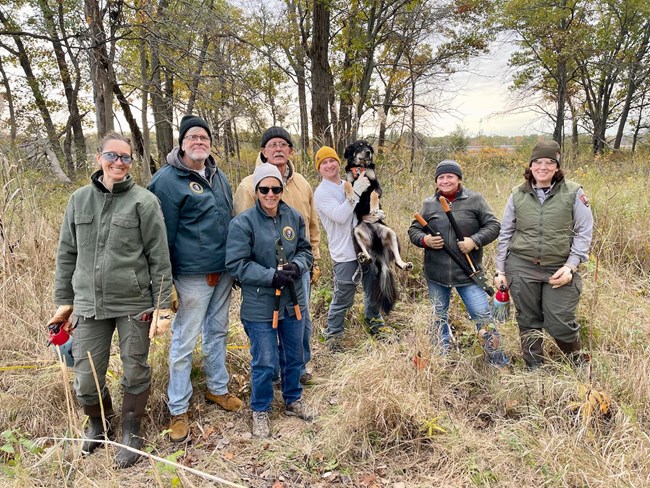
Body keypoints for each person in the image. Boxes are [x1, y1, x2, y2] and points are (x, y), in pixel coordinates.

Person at [49, 132, 173, 468]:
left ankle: (131, 433)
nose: (118, 163)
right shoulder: (78, 200)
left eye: (125, 157)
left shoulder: (144, 202)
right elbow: (67, 253)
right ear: (98, 158)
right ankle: (98, 425)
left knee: (135, 370)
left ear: (131, 162)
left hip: (133, 303)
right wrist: (64, 300)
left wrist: (162, 305)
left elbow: (159, 256)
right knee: (86, 377)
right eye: (112, 156)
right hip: (89, 305)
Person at [148, 115, 243, 443]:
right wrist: (167, 281)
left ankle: (218, 389)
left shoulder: (218, 176)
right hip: (190, 277)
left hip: (224, 272)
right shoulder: (166, 181)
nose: (199, 141)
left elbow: (229, 219)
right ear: (182, 142)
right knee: (184, 341)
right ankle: (178, 408)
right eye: (193, 137)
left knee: (217, 332)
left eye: (204, 136)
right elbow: (160, 236)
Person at [226, 164, 314, 438]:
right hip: (259, 304)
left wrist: (297, 267)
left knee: (294, 354)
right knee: (264, 359)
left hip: (293, 299)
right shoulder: (243, 223)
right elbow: (236, 264)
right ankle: (260, 409)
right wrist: (269, 275)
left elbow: (305, 251)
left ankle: (292, 399)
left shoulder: (294, 217)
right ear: (256, 191)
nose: (270, 194)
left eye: (276, 189)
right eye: (264, 189)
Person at [494, 140, 593, 369]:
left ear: (557, 167)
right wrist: (500, 270)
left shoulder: (574, 192)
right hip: (521, 266)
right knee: (527, 320)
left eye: (550, 162)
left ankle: (577, 363)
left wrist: (571, 266)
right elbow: (506, 232)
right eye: (538, 162)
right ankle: (533, 367)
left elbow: (584, 232)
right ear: (530, 166)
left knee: (559, 320)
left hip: (558, 266)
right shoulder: (517, 194)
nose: (543, 167)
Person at [233, 127, 320, 384]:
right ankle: (270, 374)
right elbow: (241, 231)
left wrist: (312, 260)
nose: (278, 149)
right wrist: (264, 274)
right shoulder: (249, 186)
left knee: (299, 321)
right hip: (265, 276)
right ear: (263, 151)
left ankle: (297, 370)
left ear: (290, 151)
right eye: (272, 144)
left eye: (284, 144)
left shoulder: (302, 183)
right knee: (267, 327)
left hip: (298, 269)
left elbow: (311, 224)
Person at [408, 160, 508, 365]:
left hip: (469, 274)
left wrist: (474, 241)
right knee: (438, 317)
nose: (445, 180)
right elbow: (414, 230)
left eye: (450, 176)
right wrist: (425, 240)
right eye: (441, 177)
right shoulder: (429, 204)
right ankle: (440, 359)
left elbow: (494, 226)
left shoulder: (475, 200)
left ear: (459, 179)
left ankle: (497, 362)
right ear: (436, 181)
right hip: (436, 274)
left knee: (483, 317)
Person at [313, 146, 390, 351]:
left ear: (339, 163)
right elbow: (340, 216)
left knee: (373, 289)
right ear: (319, 169)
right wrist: (356, 191)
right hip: (345, 253)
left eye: (332, 160)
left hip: (367, 247)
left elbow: (365, 208)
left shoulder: (350, 182)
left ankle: (375, 325)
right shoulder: (321, 193)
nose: (329, 165)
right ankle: (333, 336)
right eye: (324, 163)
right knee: (343, 297)